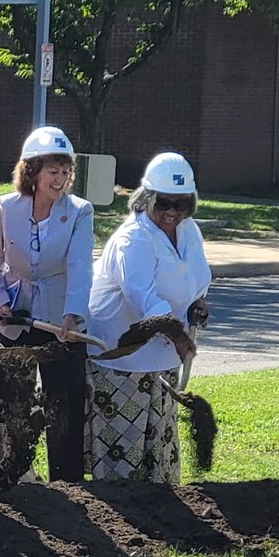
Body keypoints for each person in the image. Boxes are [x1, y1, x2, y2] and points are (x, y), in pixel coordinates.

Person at [0, 124, 96, 479]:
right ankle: (7, 475)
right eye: (52, 171)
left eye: (65, 172)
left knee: (64, 403)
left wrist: (72, 316)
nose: (60, 179)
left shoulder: (79, 211)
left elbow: (80, 266)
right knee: (9, 402)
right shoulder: (7, 207)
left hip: (61, 320)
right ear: (31, 172)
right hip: (16, 318)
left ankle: (66, 483)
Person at [87, 153, 211, 482]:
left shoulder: (188, 231)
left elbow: (192, 277)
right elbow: (146, 302)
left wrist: (196, 302)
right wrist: (181, 337)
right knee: (123, 440)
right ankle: (121, 502)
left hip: (164, 351)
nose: (172, 213)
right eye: (163, 204)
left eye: (181, 204)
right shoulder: (134, 239)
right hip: (122, 353)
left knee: (159, 432)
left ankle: (160, 500)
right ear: (146, 200)